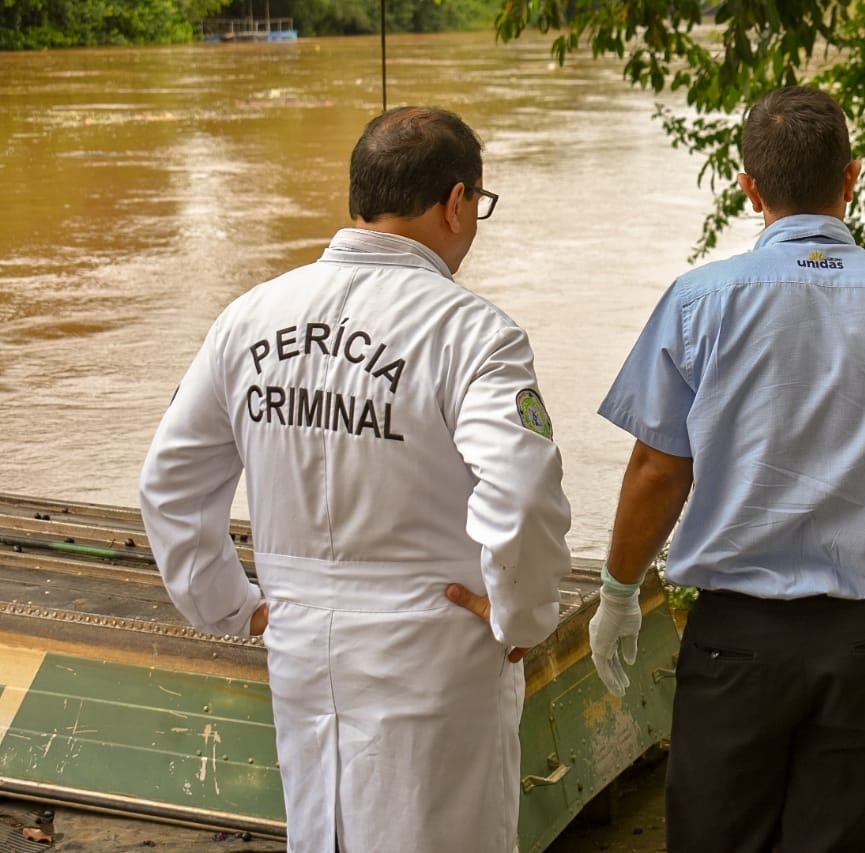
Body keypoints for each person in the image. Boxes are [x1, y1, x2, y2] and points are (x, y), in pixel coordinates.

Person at [588, 86, 865, 853]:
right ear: (851, 179)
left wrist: (619, 592)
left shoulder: (698, 303)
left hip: (738, 643)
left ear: (749, 187)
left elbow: (656, 469)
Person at [139, 106, 572, 852]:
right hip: (435, 654)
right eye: (480, 207)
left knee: (324, 831)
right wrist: (521, 615)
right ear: (458, 203)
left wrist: (232, 605)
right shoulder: (472, 332)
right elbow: (524, 492)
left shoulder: (247, 319)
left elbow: (171, 484)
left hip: (304, 648)